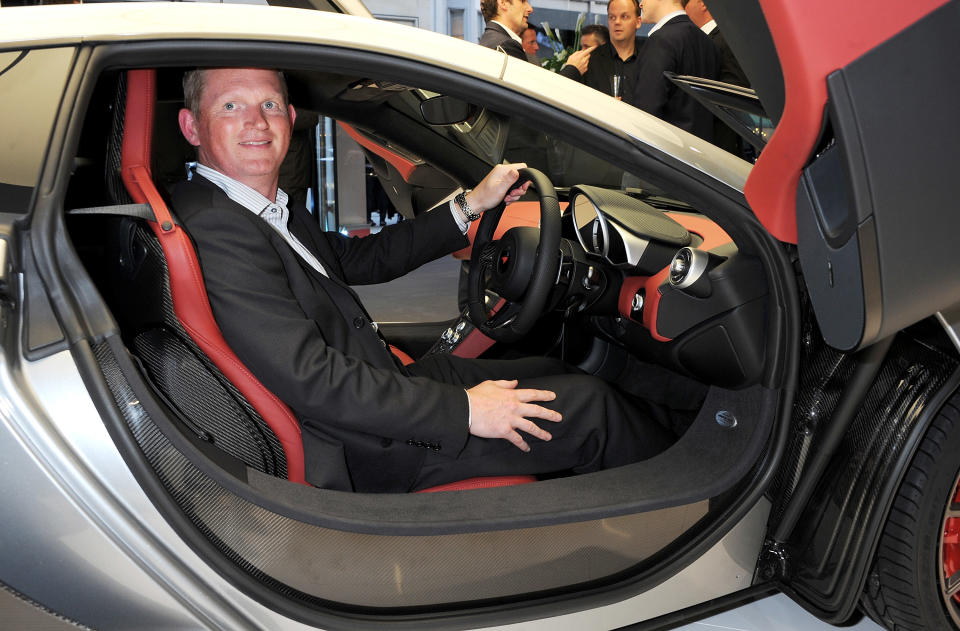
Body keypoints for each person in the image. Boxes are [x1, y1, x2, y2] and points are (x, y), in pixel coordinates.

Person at [172, 67, 677, 493]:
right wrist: (465, 412)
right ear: (191, 126)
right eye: (231, 107)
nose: (258, 122)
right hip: (366, 448)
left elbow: (361, 260)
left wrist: (471, 204)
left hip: (382, 391)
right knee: (592, 411)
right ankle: (687, 506)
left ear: (291, 117)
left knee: (552, 371)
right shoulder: (220, 227)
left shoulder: (261, 207)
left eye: (271, 105)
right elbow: (312, 379)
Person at [628, 0, 720, 140]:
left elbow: (646, 113)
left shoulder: (661, 41)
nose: (641, 4)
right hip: (701, 153)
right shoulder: (707, 43)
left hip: (665, 152)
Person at [479, 0, 594, 81]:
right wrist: (573, 69)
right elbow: (535, 100)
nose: (530, 9)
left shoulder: (492, 40)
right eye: (523, 1)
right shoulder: (506, 45)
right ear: (503, 3)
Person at [580, 0, 645, 99]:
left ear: (638, 22)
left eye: (624, 16)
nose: (617, 22)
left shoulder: (648, 59)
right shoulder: (590, 61)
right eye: (612, 17)